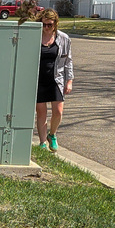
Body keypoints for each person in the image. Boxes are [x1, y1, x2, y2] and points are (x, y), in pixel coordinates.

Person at [35, 8, 73, 151]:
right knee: (41, 112)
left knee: (58, 111)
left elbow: (68, 61)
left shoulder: (63, 38)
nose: (46, 28)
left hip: (56, 79)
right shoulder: (35, 36)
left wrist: (69, 80)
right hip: (38, 79)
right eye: (43, 24)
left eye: (49, 25)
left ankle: (52, 134)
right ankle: (43, 142)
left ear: (55, 24)